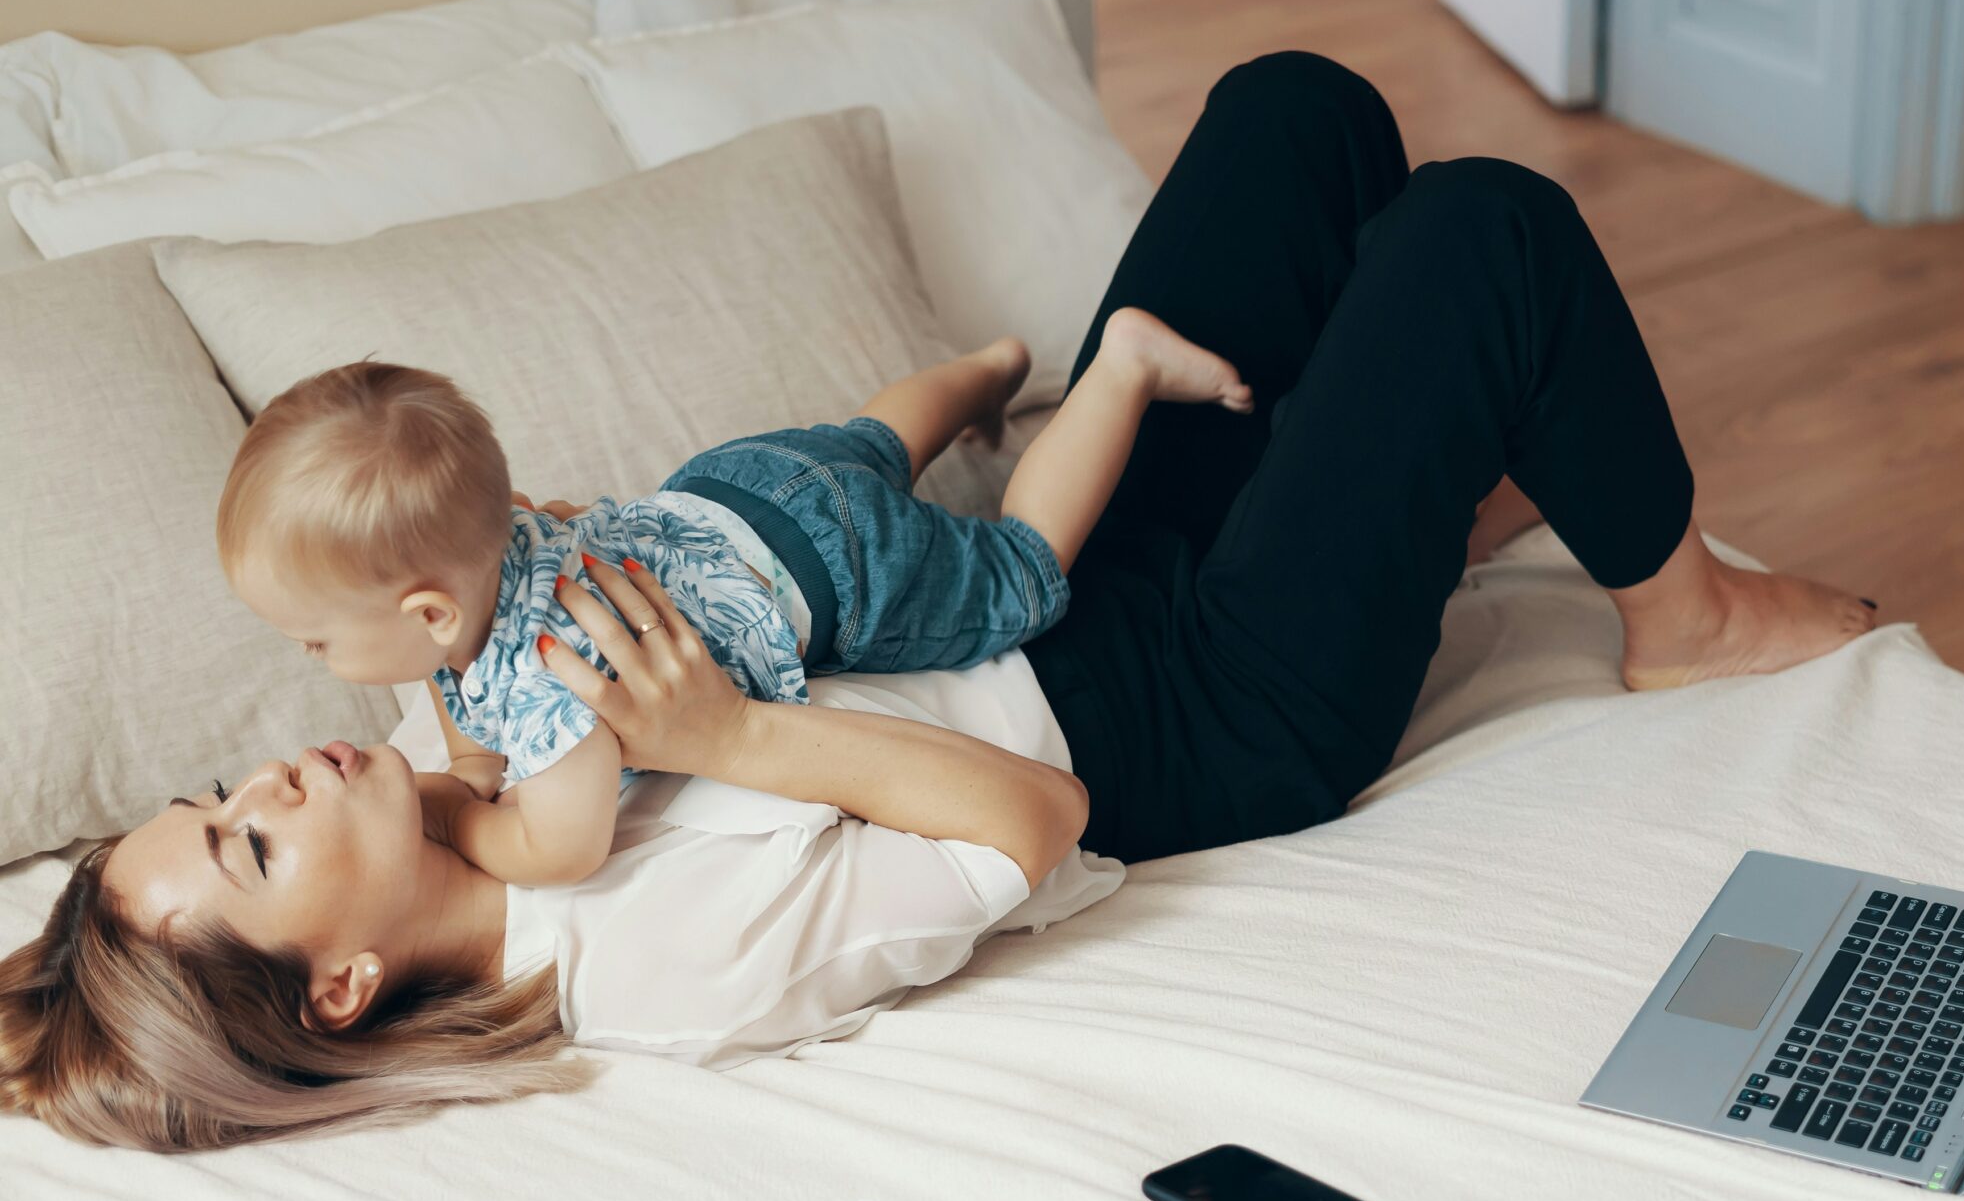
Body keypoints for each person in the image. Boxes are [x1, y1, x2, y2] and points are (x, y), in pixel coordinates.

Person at [0, 52, 1875, 1152]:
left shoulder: (451, 733)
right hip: (1193, 723)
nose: (272, 779)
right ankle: (1680, 604)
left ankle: (1412, 497)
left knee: (1294, 108)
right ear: (335, 984)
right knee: (1479, 234)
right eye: (248, 844)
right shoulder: (636, 972)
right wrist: (728, 738)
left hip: (1037, 592)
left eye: (221, 793)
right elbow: (1033, 820)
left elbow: (548, 559)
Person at [217, 312, 1251, 887]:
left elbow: (560, 847)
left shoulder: (558, 698)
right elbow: (462, 665)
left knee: (1023, 572)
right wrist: (473, 754)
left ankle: (1120, 369)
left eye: (313, 641)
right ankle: (988, 369)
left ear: (432, 614)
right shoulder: (500, 533)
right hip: (731, 486)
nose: (310, 658)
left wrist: (461, 811)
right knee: (873, 441)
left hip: (847, 573)